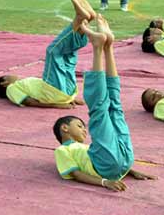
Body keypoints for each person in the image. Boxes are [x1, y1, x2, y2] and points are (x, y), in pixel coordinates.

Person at [54, 16, 156, 191]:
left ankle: (106, 47)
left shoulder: (80, 148)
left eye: (80, 125)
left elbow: (103, 153)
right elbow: (76, 174)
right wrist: (104, 182)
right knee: (106, 107)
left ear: (64, 127)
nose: (84, 129)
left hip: (120, 160)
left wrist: (131, 171)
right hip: (107, 165)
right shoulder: (62, 151)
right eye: (81, 126)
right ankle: (100, 47)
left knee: (112, 105)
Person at [0, 0, 94, 108]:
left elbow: (44, 94)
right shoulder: (11, 89)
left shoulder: (23, 84)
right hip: (54, 92)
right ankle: (79, 19)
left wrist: (70, 99)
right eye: (7, 76)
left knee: (68, 55)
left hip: (63, 91)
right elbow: (28, 102)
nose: (12, 75)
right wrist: (56, 105)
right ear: (4, 83)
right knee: (52, 52)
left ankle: (85, 21)